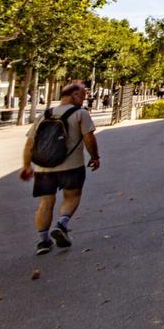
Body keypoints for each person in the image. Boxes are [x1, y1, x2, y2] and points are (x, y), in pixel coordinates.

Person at [19, 82, 101, 255]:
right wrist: (94, 157)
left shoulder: (45, 114)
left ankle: (43, 242)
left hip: (43, 168)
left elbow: (29, 144)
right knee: (72, 196)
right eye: (83, 94)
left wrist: (26, 166)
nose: (85, 97)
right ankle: (61, 224)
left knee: (45, 203)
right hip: (71, 166)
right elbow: (89, 138)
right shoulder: (80, 114)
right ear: (75, 96)